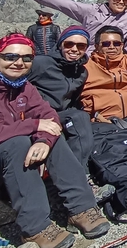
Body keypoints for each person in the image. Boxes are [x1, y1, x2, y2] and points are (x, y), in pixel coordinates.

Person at [0, 33, 109, 248]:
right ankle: (35, 228)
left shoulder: (22, 87)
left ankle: (81, 208)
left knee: (51, 135)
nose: (18, 63)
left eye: (26, 58)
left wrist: (43, 139)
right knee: (18, 143)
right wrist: (31, 126)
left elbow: (48, 116)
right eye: (10, 57)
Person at [27, 26, 93, 170]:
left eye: (81, 46)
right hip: (38, 114)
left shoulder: (81, 72)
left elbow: (73, 100)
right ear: (60, 44)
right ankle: (77, 174)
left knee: (80, 117)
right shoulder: (40, 63)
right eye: (69, 44)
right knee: (78, 117)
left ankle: (76, 173)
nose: (74, 49)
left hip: (60, 114)